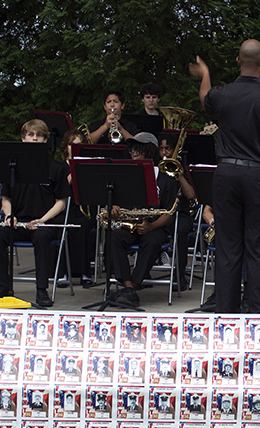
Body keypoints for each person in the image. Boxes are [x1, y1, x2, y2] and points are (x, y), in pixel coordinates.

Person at [190, 41, 260, 313]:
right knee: (259, 251)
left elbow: (205, 98)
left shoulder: (223, 94)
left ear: (238, 61)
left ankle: (226, 314)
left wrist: (205, 74)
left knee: (228, 248)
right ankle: (256, 316)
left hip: (227, 174)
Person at [0, 119, 70, 307]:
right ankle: (3, 286)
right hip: (18, 222)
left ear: (45, 140)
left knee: (42, 237)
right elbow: (6, 199)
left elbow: (61, 203)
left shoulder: (56, 168)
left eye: (39, 135)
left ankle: (41, 290)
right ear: (23, 138)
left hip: (45, 223)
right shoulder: (12, 167)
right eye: (30, 135)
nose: (35, 139)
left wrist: (42, 219)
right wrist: (9, 216)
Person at [105, 132, 179, 307]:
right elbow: (114, 200)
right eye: (131, 149)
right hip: (129, 223)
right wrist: (113, 207)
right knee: (114, 237)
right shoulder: (124, 175)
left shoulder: (164, 179)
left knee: (153, 242)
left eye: (138, 149)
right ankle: (129, 288)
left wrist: (151, 226)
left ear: (149, 150)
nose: (134, 153)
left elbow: (169, 213)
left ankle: (133, 285)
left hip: (154, 226)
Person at [59, 129, 95, 287]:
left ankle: (85, 272)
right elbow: (60, 189)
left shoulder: (86, 165)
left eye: (78, 145)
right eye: (71, 145)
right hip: (63, 207)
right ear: (66, 147)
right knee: (61, 226)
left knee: (84, 225)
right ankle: (62, 272)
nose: (74, 148)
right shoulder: (60, 167)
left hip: (81, 206)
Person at [158, 133, 195, 291]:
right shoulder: (155, 169)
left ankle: (179, 275)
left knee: (180, 231)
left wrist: (177, 173)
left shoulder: (183, 169)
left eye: (168, 149)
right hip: (159, 214)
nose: (164, 153)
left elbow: (191, 194)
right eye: (161, 149)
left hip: (180, 214)